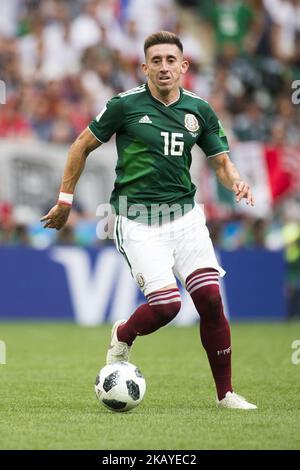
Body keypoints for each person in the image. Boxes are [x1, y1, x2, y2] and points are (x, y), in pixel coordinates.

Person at [41, 31, 257, 410]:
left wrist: (236, 180)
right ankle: (123, 335)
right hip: (138, 220)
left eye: (170, 60)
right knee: (167, 307)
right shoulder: (123, 106)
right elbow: (81, 145)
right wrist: (64, 200)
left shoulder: (199, 110)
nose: (163, 67)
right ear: (144, 67)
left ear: (183, 66)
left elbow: (220, 161)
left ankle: (225, 394)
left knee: (209, 299)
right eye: (155, 61)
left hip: (186, 218)